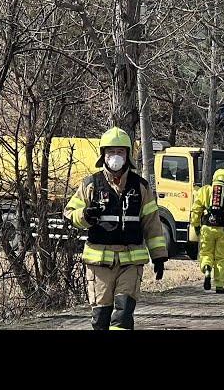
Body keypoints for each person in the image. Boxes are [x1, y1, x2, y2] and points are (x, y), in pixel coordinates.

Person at [64, 127, 168, 330]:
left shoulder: (141, 187)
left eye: (120, 152)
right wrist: (85, 216)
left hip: (130, 263)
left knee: (123, 314)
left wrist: (159, 256)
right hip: (99, 264)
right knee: (101, 318)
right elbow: (70, 213)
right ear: (103, 155)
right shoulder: (91, 184)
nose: (115, 156)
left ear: (128, 155)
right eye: (111, 152)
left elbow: (152, 223)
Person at [190, 168, 224, 293]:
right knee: (221, 257)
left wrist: (196, 225)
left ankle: (207, 268)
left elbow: (196, 209)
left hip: (207, 228)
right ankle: (219, 285)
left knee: (206, 253)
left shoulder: (205, 190)